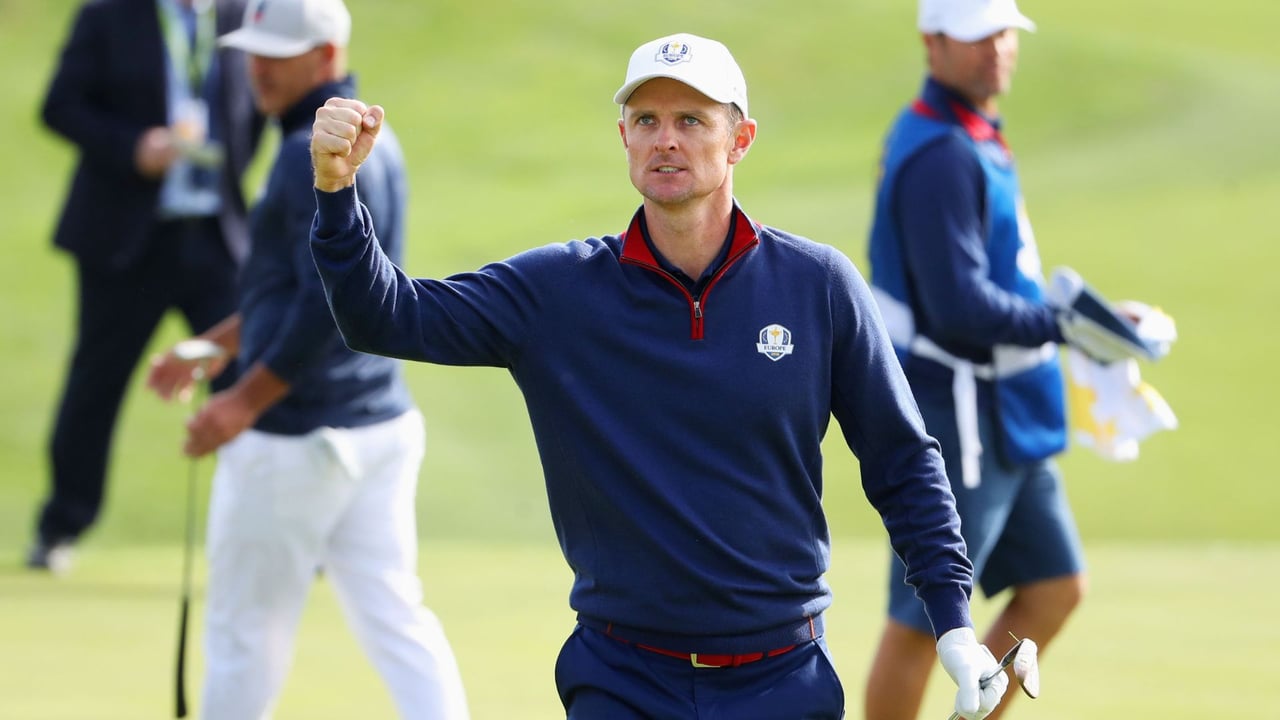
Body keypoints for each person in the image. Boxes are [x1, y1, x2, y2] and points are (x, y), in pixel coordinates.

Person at [309, 32, 1010, 720]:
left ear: (740, 140)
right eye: (646, 120)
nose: (664, 139)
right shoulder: (561, 292)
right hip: (622, 677)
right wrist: (338, 192)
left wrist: (952, 620)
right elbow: (385, 317)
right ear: (624, 138)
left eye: (691, 121)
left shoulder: (817, 286)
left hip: (782, 680)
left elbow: (902, 461)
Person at [145, 0, 470, 717]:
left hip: (294, 441)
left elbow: (323, 306)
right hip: (378, 425)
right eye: (254, 50)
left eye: (277, 53)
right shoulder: (375, 140)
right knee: (397, 620)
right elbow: (310, 285)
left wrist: (238, 403)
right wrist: (216, 344)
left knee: (243, 635)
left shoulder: (306, 156)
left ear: (325, 58)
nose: (258, 68)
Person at [863, 1, 1089, 718]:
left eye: (1002, 34)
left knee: (1055, 587)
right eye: (973, 37)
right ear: (933, 44)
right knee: (921, 621)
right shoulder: (941, 153)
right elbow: (958, 307)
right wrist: (1068, 325)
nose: (994, 50)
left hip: (1005, 411)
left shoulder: (970, 133)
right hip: (953, 414)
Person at [30, 0, 266, 573]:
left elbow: (256, 108)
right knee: (97, 383)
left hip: (214, 236)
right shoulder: (109, 13)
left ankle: (277, 530)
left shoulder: (239, 12)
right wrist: (130, 147)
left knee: (251, 374)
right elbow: (59, 106)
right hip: (126, 238)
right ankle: (62, 525)